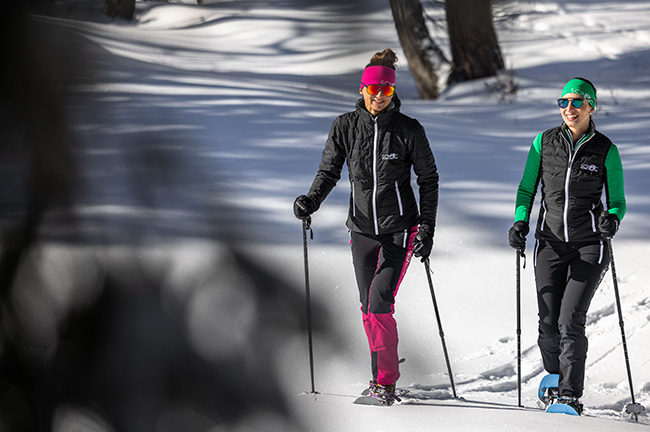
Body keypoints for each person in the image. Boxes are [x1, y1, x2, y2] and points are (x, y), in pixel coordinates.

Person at [293, 49, 439, 405]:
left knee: (379, 302)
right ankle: (378, 374)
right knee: (366, 305)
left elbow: (428, 179)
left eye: (386, 90)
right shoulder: (344, 126)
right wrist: (311, 199)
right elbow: (329, 171)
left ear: (393, 93)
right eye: (373, 89)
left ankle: (386, 383)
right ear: (362, 89)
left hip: (398, 230)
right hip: (361, 230)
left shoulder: (408, 130)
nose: (378, 95)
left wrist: (427, 227)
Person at [508, 77, 626, 414]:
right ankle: (557, 376)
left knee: (570, 320)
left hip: (589, 245)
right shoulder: (543, 143)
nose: (569, 109)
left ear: (591, 106)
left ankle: (569, 394)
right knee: (547, 324)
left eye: (577, 102)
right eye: (564, 102)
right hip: (550, 243)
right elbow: (526, 190)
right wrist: (520, 221)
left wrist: (612, 218)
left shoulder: (606, 150)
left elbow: (617, 200)